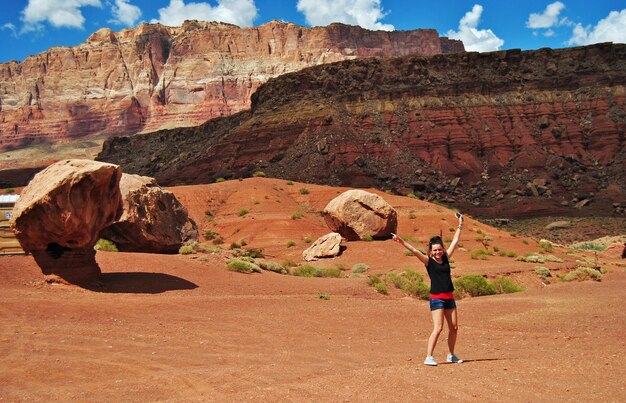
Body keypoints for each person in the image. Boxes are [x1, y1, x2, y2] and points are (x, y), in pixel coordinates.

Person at [391, 213, 464, 366]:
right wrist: (401, 241)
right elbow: (415, 251)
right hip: (437, 298)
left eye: (439, 250)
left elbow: (455, 241)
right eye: (435, 250)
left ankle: (451, 355)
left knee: (454, 328)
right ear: (431, 252)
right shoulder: (428, 261)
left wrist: (460, 224)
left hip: (449, 297)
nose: (438, 252)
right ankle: (429, 356)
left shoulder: (446, 258)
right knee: (438, 328)